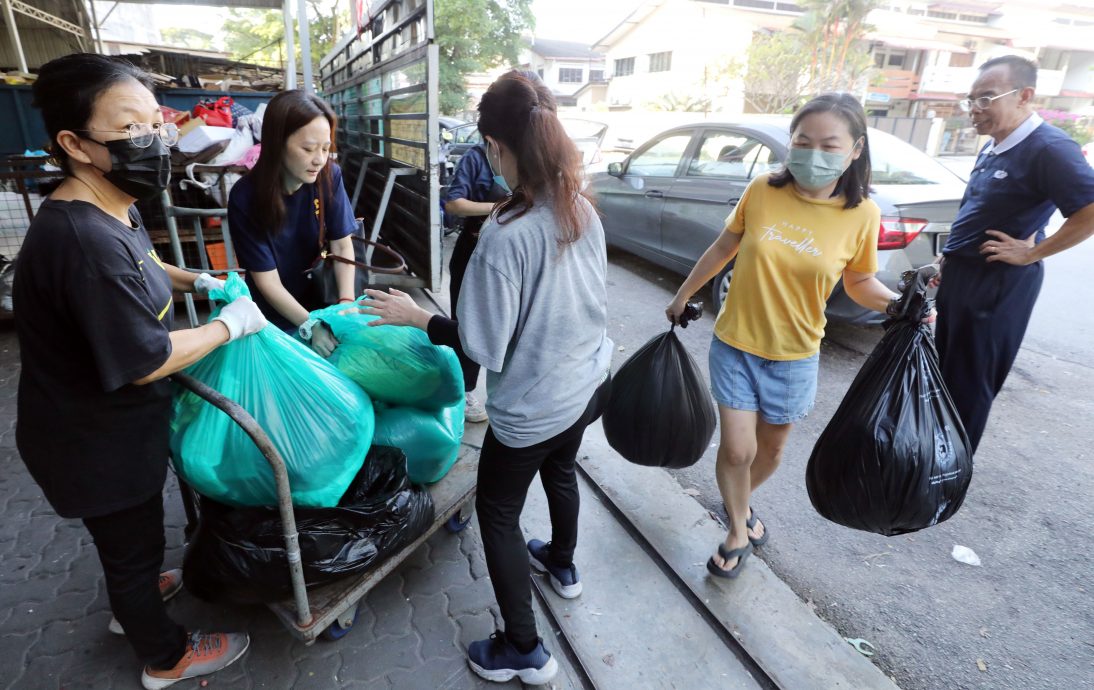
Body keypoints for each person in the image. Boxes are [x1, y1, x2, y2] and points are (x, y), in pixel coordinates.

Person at [352, 70, 612, 685]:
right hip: (587, 388)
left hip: (532, 410)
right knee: (563, 470)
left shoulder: (505, 233)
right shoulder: (580, 205)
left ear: (494, 146)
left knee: (497, 514)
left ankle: (524, 647)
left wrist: (421, 318)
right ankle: (565, 567)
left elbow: (483, 349)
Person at [14, 53, 261, 690]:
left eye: (157, 121)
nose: (156, 141)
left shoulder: (109, 205)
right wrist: (229, 325)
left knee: (133, 541)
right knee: (128, 542)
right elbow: (147, 360)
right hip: (91, 440)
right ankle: (164, 654)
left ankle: (139, 587)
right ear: (75, 143)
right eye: (131, 129)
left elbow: (145, 261)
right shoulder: (82, 244)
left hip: (104, 428)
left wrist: (197, 279)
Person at [666, 93, 917, 579]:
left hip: (797, 354)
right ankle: (738, 528)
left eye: (829, 144)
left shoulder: (862, 213)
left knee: (771, 452)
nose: (813, 153)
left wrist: (900, 306)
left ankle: (739, 503)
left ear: (855, 149)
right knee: (737, 450)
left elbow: (859, 281)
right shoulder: (763, 189)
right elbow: (725, 245)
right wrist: (683, 294)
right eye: (803, 141)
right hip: (736, 342)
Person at [933, 55, 1094, 453]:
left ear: (1025, 96)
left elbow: (1089, 210)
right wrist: (947, 257)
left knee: (969, 385)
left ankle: (945, 476)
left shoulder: (1049, 148)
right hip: (963, 276)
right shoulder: (994, 146)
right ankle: (925, 459)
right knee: (946, 376)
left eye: (987, 98)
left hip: (997, 283)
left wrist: (1032, 252)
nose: (975, 109)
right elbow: (977, 209)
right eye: (971, 99)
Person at [443, 71, 556, 423]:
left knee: (493, 331)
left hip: (527, 413)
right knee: (470, 325)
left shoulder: (519, 232)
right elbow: (453, 204)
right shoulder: (476, 159)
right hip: (471, 248)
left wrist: (418, 320)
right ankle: (465, 392)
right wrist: (500, 209)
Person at [227, 89, 358, 356]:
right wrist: (310, 325)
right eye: (308, 149)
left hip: (326, 304)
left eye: (325, 148)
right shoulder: (245, 197)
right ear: (277, 143)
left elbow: (343, 247)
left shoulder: (330, 176)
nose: (319, 159)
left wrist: (347, 302)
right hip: (273, 317)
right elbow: (267, 282)